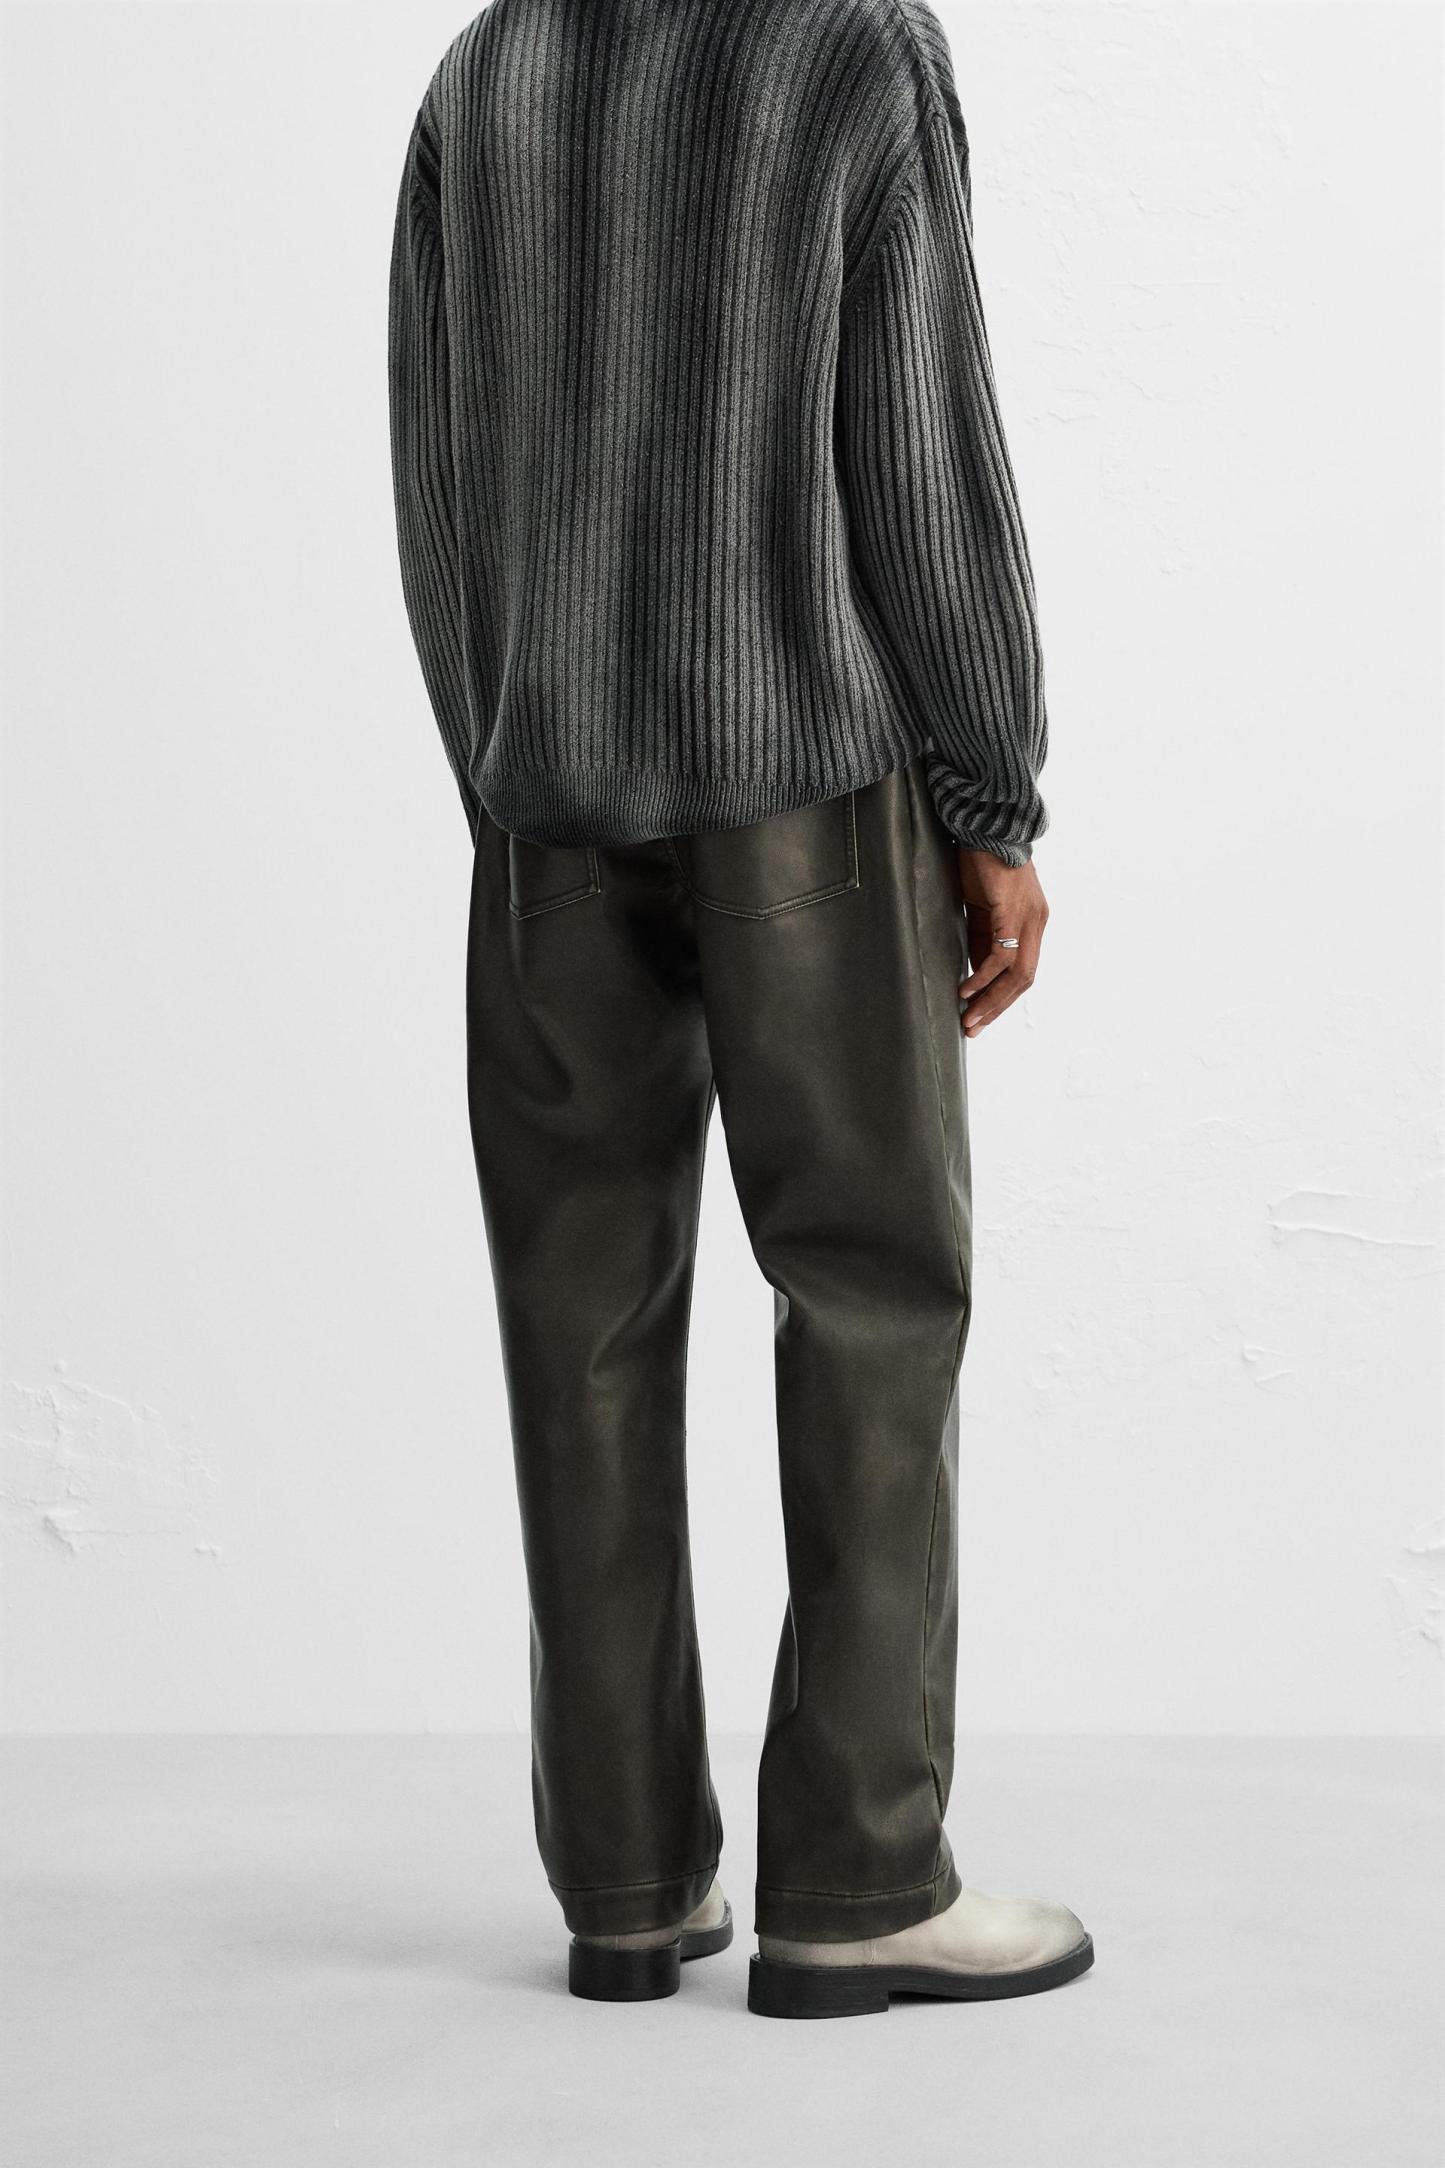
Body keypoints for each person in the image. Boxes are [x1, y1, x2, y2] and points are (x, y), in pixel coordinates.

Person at [388, 0, 1091, 2019]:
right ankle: (858, 1882)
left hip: (547, 796)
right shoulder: (845, 44)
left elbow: (434, 469)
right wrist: (990, 791)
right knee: (869, 1296)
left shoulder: (488, 71)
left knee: (580, 1332)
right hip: (802, 786)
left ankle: (624, 1888)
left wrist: (504, 760)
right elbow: (920, 442)